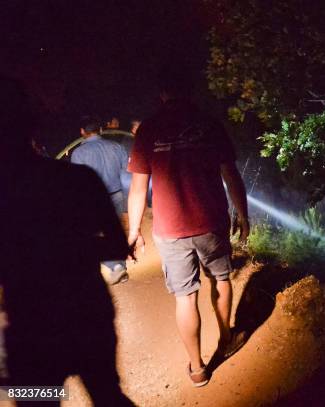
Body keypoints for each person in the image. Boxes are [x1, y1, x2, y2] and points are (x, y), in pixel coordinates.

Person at [0, 76, 134, 406]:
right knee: (109, 396)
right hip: (89, 318)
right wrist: (72, 250)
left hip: (31, 333)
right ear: (32, 125)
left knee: (38, 401)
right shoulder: (77, 179)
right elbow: (118, 247)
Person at [127, 65, 249, 387]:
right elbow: (231, 175)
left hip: (170, 229)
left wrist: (133, 231)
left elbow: (138, 188)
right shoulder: (208, 125)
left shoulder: (149, 129)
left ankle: (197, 368)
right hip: (210, 222)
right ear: (191, 90)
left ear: (162, 93)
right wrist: (243, 215)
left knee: (185, 298)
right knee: (221, 279)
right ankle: (227, 337)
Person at [71, 116, 130, 284]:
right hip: (117, 193)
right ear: (101, 130)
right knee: (116, 229)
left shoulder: (78, 153)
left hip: (94, 199)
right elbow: (126, 174)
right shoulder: (116, 147)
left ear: (82, 132)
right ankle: (119, 265)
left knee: (95, 234)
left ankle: (115, 266)